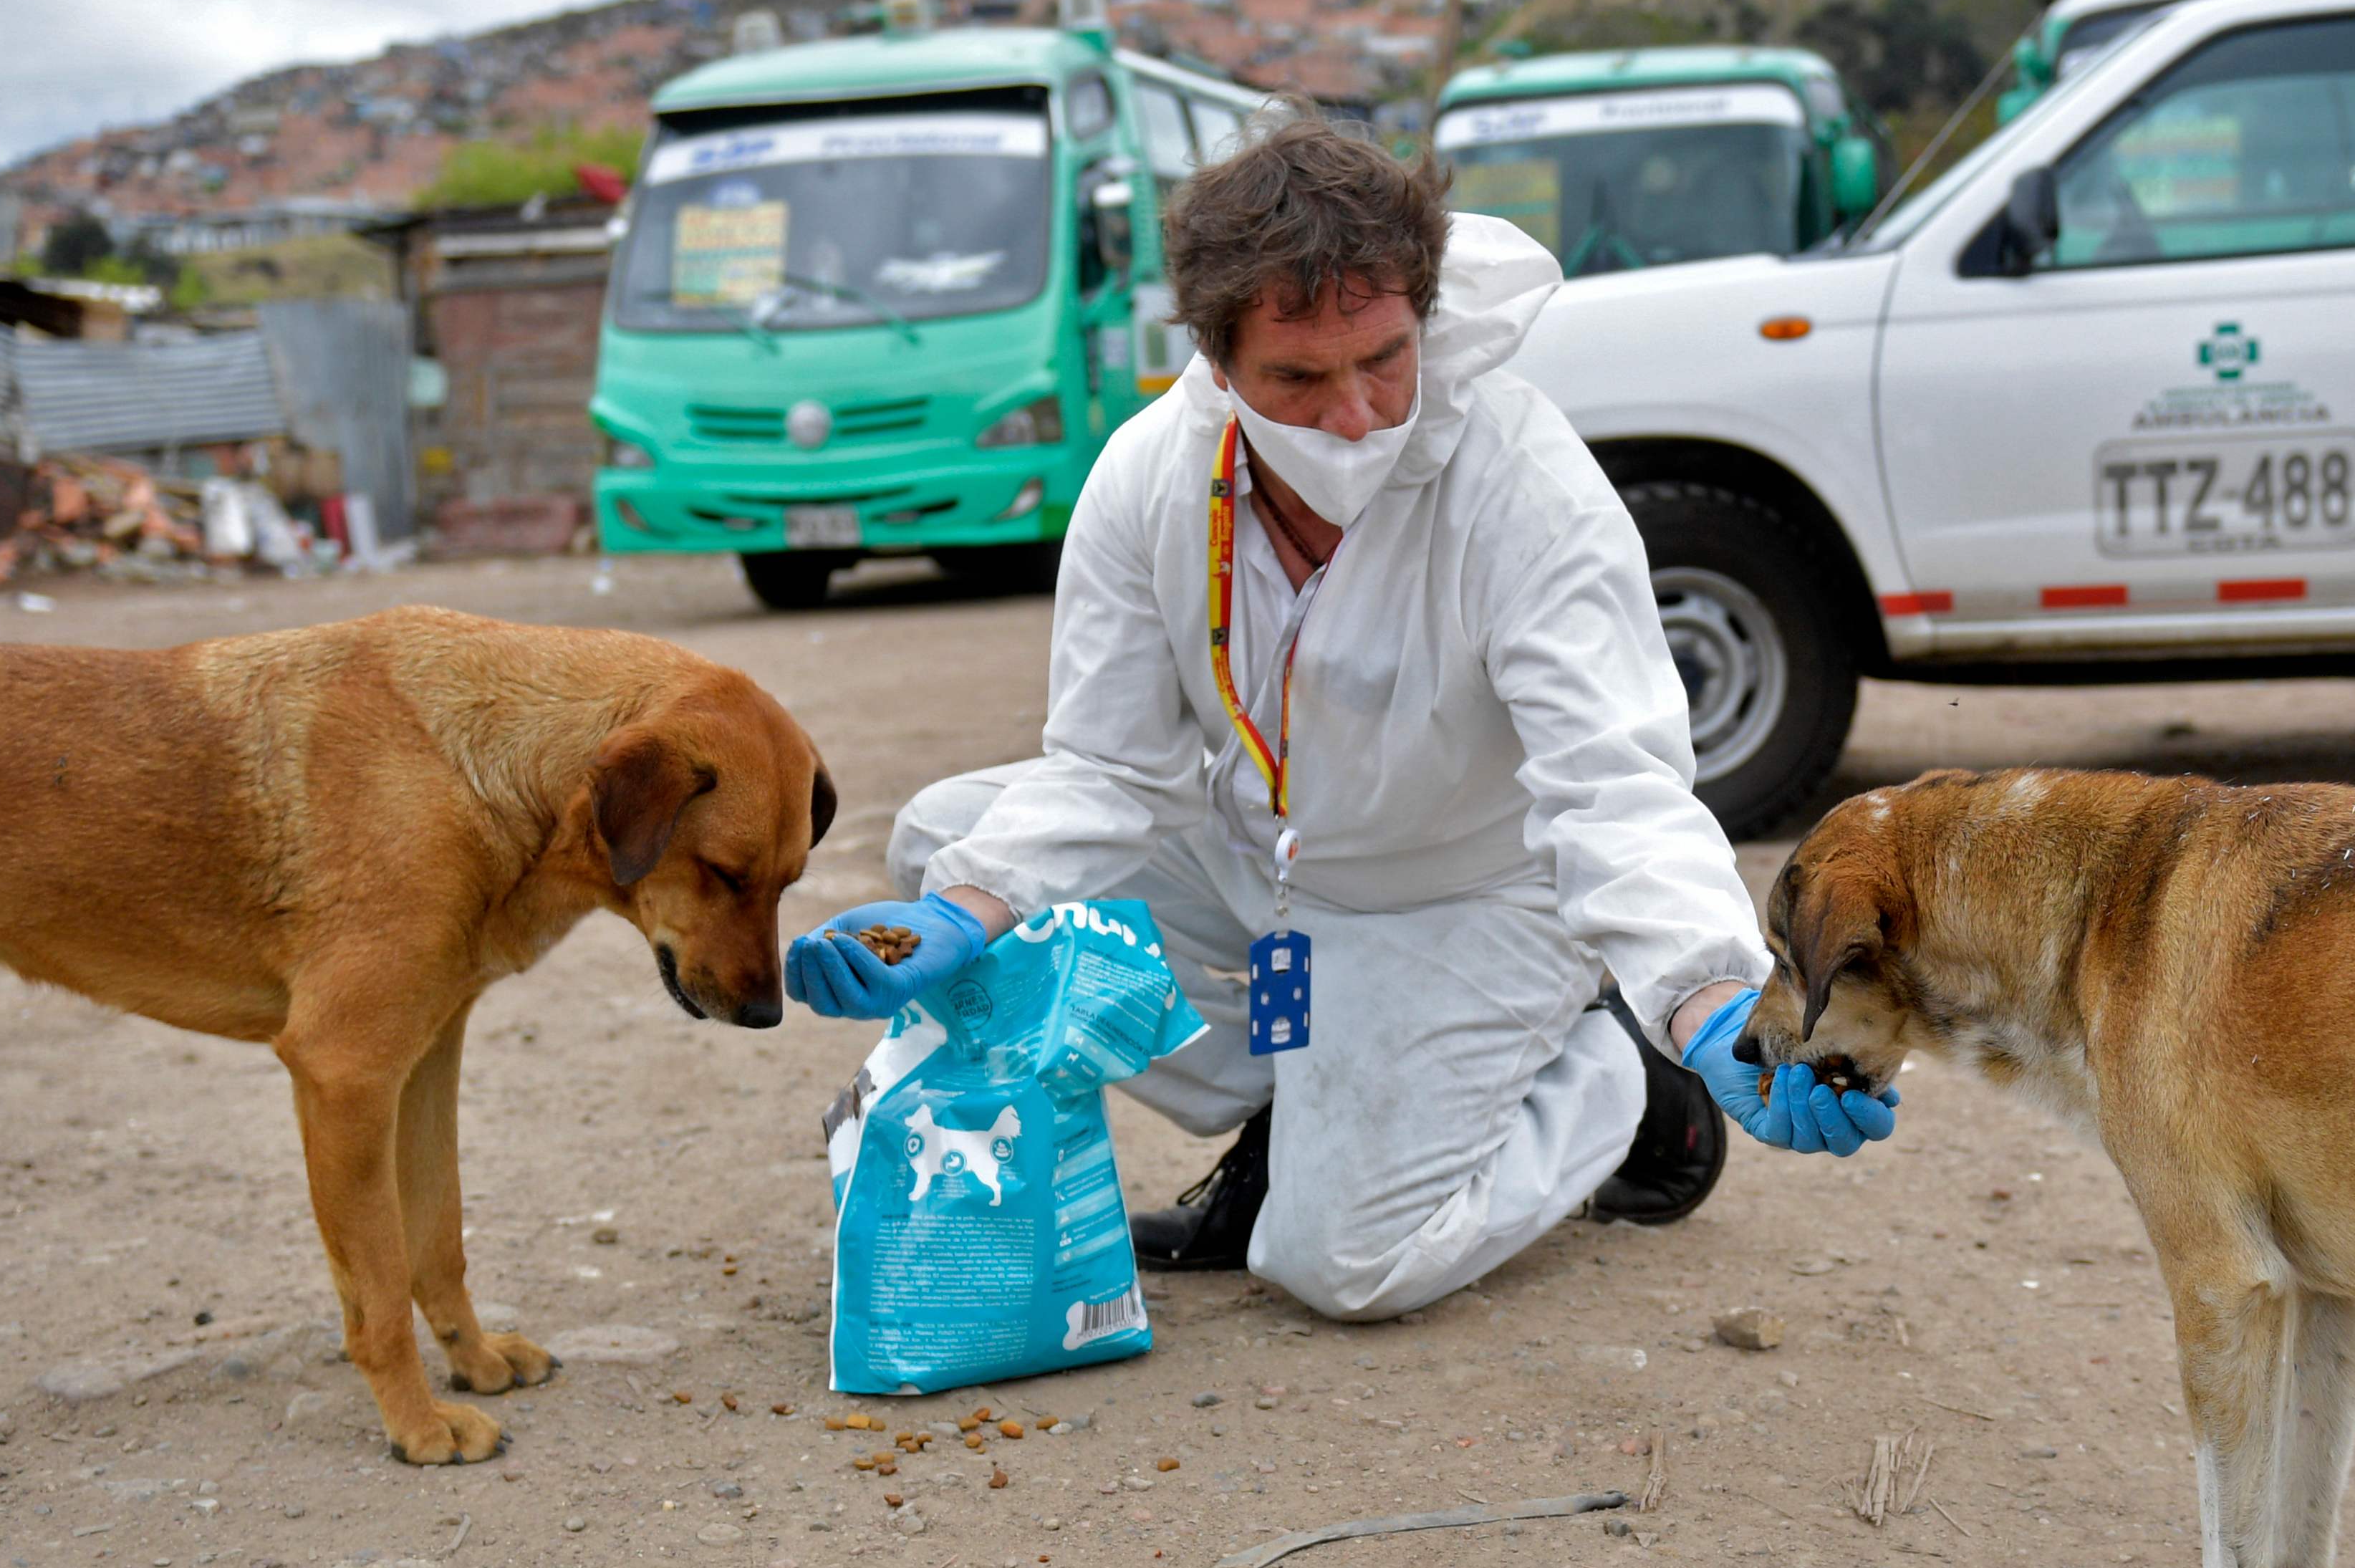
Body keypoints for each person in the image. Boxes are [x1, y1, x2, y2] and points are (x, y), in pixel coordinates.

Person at [785, 115, 1898, 1322]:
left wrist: (1711, 1004)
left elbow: (1615, 789)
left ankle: (1607, 1074)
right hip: (1268, 869)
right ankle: (1311, 1090)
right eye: (1298, 379)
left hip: (1473, 895)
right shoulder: (1151, 478)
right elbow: (1108, 770)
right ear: (1215, 360)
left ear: (1423, 312)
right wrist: (956, 916)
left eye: (1383, 358)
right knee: (951, 841)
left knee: (1336, 1266)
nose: (1357, 414)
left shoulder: (1523, 487)